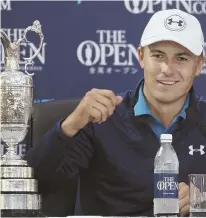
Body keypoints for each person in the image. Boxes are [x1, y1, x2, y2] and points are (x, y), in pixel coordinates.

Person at [25, 9, 206, 217]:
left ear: (199, 64)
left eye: (181, 58)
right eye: (158, 56)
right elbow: (33, 183)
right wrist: (71, 124)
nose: (167, 68)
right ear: (141, 57)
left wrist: (202, 201)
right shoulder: (102, 119)